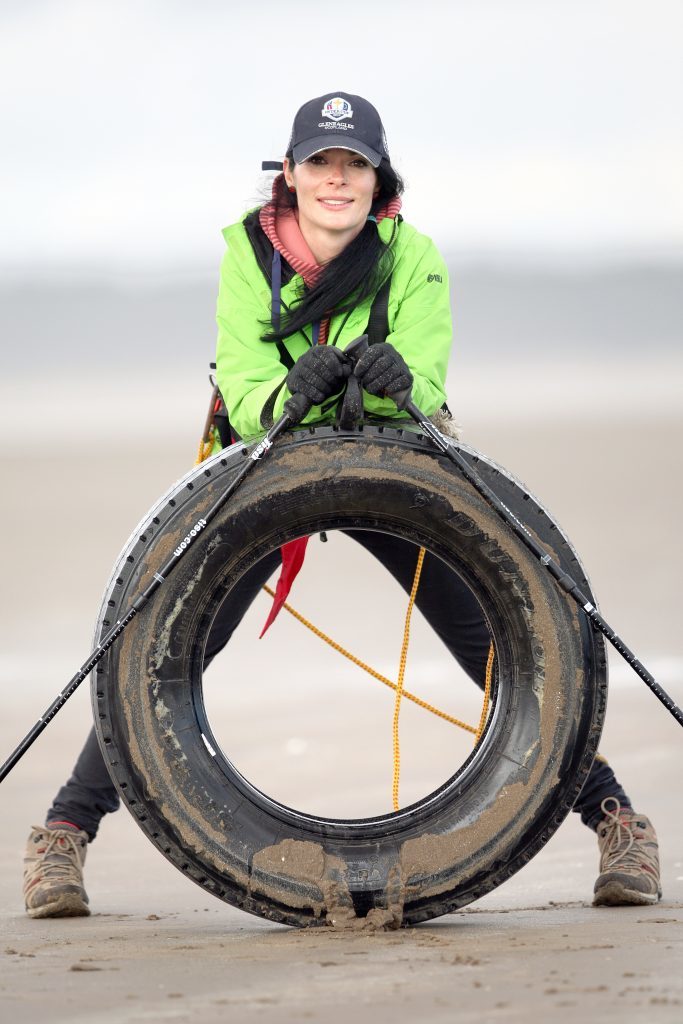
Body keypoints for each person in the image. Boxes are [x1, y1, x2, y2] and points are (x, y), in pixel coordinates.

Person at [22, 91, 661, 919]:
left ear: (376, 177)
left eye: (352, 164)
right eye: (319, 163)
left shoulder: (414, 256)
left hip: (388, 464)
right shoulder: (247, 257)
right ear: (288, 175)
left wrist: (402, 386)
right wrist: (288, 389)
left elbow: (429, 379)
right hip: (270, 472)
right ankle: (63, 837)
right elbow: (241, 381)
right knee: (169, 648)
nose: (336, 179)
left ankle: (616, 821)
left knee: (493, 642)